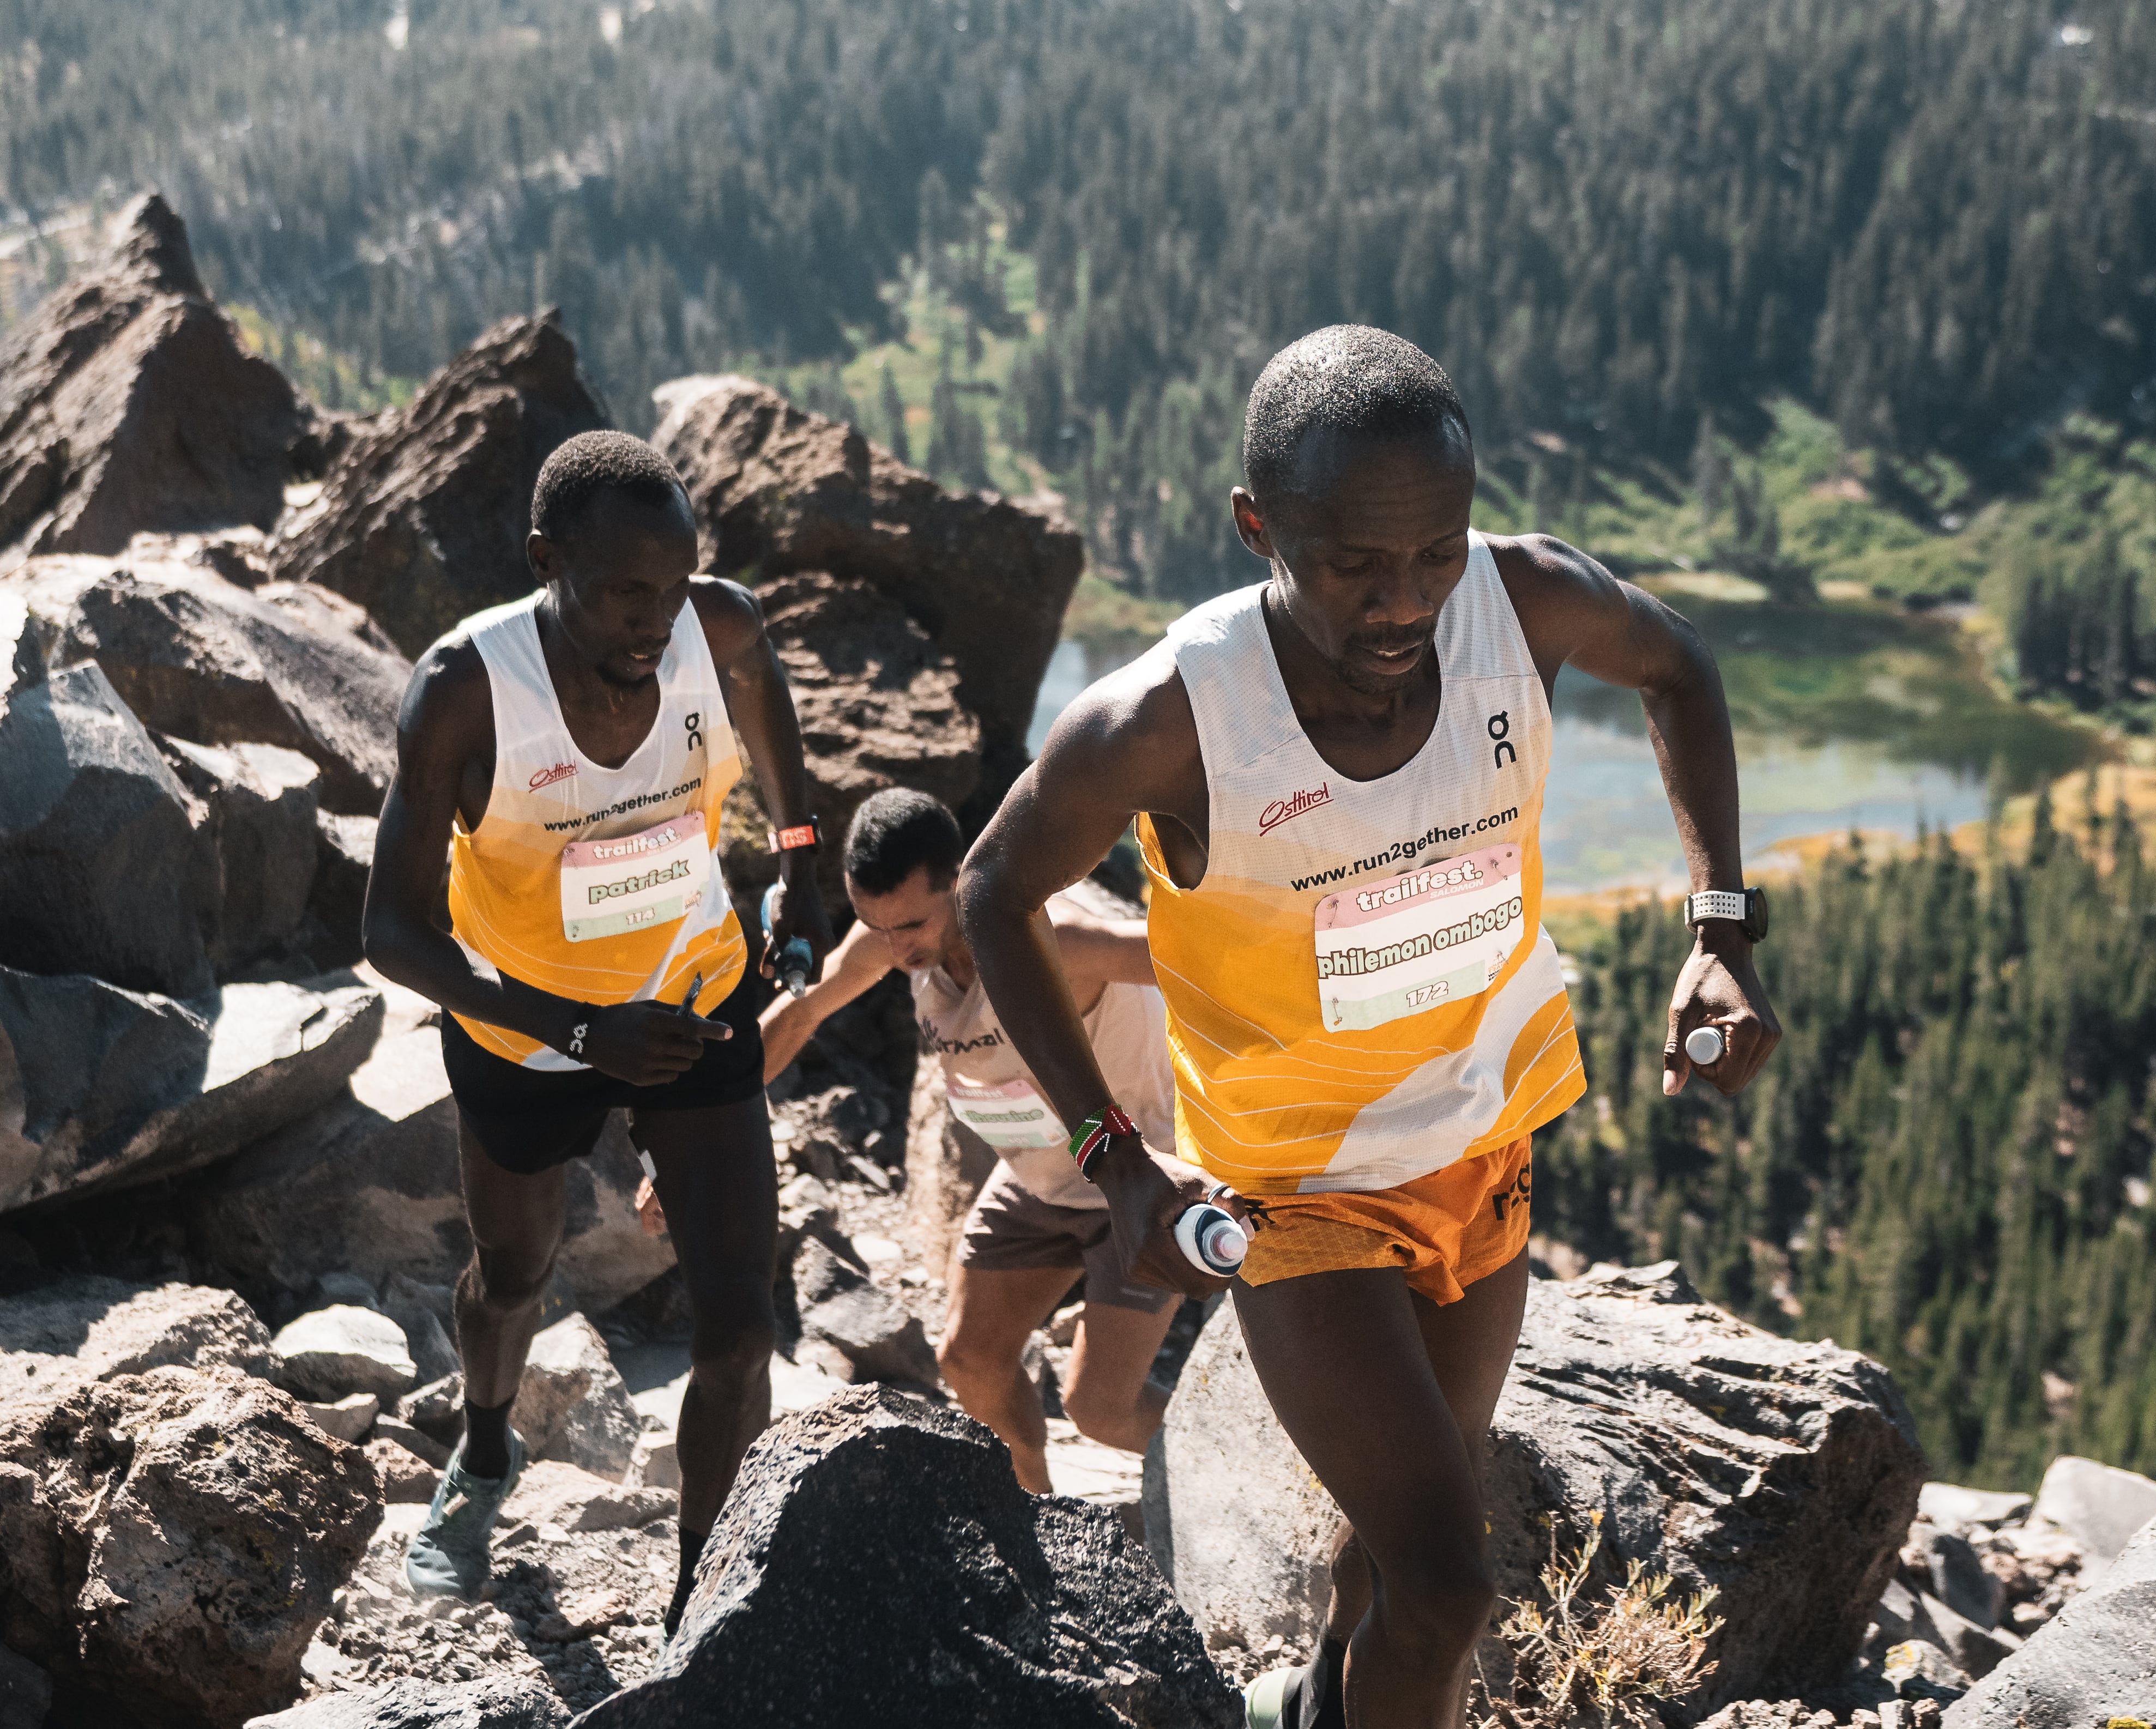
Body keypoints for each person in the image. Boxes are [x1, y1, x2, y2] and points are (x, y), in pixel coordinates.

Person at [958, 325, 1781, 1729]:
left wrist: (1720, 930)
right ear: (1257, 527)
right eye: (1354, 564)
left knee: (1396, 1542)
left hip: (1486, 1150)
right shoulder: (1172, 718)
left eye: (1435, 552)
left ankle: (1313, 1711)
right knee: (1451, 1584)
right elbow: (992, 891)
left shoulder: (1517, 607)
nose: (1407, 602)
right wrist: (1113, 1158)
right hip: (1297, 1194)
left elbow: (1682, 668)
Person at [363, 430, 832, 1627]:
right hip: (528, 1027)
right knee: (512, 1276)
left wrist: (794, 868)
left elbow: (775, 741)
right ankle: (481, 1452)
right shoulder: (469, 687)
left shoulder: (714, 629)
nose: (653, 619)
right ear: (545, 559)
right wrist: (580, 1033)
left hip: (692, 993)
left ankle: (697, 1605)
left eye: (671, 586)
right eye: (624, 590)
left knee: (740, 1331)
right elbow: (393, 934)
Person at [747, 788, 1186, 1491]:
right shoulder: (895, 944)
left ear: (960, 878)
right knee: (969, 1361)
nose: (897, 948)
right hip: (1035, 1176)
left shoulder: (1060, 937)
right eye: (875, 924)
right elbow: (799, 1017)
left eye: (912, 924)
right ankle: (1039, 1521)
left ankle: (1245, 1475)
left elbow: (1196, 962)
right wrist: (693, 1135)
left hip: (1136, 1175)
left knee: (1101, 1409)